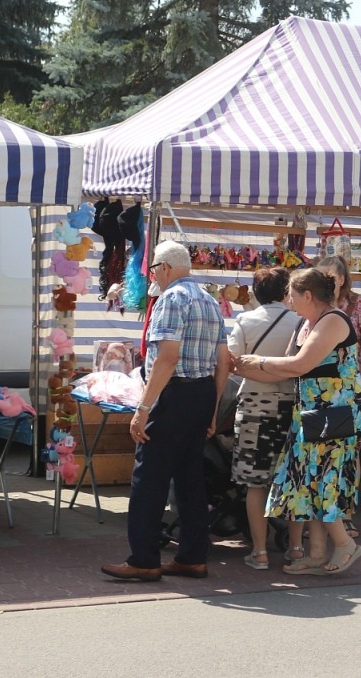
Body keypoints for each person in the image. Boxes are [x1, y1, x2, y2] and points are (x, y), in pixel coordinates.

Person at [102, 241, 231, 581]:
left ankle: (144, 559)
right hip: (201, 391)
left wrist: (143, 408)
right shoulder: (209, 299)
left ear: (166, 268)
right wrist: (214, 407)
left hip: (174, 393)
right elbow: (222, 361)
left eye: (154, 269)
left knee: (150, 479)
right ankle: (192, 556)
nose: (152, 276)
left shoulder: (172, 299)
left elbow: (167, 358)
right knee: (190, 478)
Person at [235, 268, 361, 575]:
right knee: (310, 478)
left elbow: (299, 364)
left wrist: (258, 361)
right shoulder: (307, 324)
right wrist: (242, 369)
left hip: (334, 409)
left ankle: (345, 544)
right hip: (313, 408)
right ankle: (318, 553)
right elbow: (288, 370)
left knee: (323, 477)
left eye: (292, 295)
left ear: (307, 295)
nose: (289, 301)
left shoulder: (333, 320)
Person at [226, 267, 301, 570]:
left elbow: (231, 361)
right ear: (287, 292)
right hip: (293, 406)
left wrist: (254, 369)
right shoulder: (302, 322)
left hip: (255, 404)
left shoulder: (246, 320)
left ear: (255, 294)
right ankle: (296, 548)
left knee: (255, 484)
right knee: (294, 479)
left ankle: (259, 552)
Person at [313, 254, 361, 538]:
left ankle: (344, 514)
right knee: (320, 451)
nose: (326, 281)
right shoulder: (312, 303)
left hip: (349, 385)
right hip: (318, 384)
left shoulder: (357, 304)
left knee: (348, 452)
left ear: (343, 278)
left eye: (330, 276)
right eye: (320, 276)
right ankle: (319, 518)